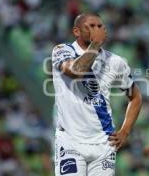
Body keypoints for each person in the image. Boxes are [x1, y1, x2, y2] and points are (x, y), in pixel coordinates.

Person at [52, 13, 142, 176]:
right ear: (76, 31)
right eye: (91, 26)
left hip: (104, 144)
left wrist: (125, 131)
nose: (97, 29)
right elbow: (75, 71)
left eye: (100, 26)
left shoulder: (115, 62)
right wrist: (95, 44)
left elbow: (135, 97)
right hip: (70, 141)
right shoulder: (62, 50)